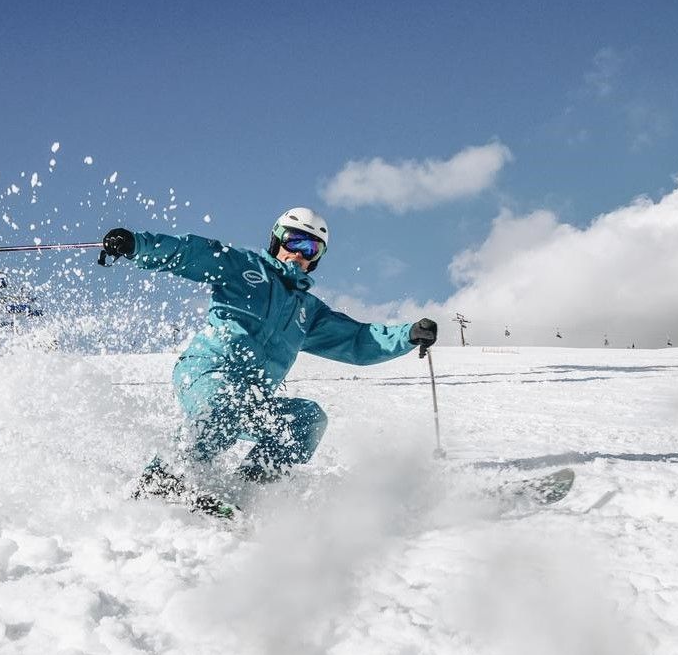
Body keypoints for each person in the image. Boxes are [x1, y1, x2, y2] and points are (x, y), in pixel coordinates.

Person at [101, 206, 437, 514]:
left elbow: (359, 340)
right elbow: (192, 253)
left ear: (316, 259)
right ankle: (162, 480)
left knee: (306, 419)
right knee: (222, 406)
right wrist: (137, 245)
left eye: (310, 248)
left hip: (253, 396)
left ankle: (246, 490)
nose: (298, 253)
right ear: (276, 240)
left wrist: (408, 334)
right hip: (207, 370)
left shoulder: (308, 311)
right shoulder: (243, 267)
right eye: (293, 241)